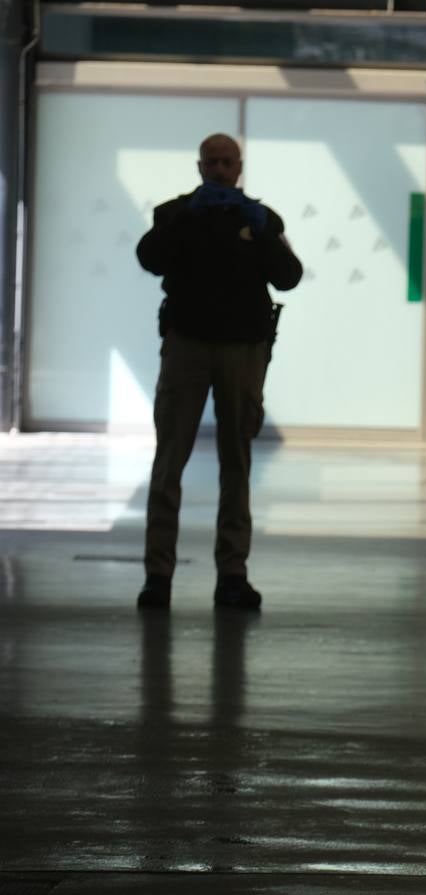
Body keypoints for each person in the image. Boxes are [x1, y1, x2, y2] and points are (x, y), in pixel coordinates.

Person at [134, 133, 303, 612]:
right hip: (187, 345)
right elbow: (149, 258)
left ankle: (233, 574)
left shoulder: (263, 220)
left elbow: (288, 275)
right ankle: (158, 577)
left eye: (228, 162)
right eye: (212, 162)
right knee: (170, 461)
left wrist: (263, 232)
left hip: (241, 349)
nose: (220, 170)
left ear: (240, 167)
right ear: (199, 166)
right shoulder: (174, 215)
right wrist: (186, 219)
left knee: (237, 463)